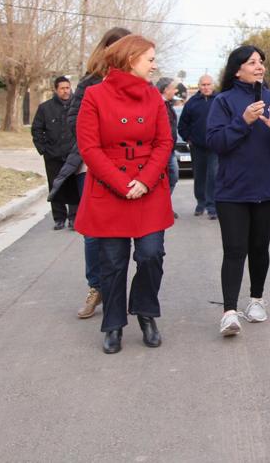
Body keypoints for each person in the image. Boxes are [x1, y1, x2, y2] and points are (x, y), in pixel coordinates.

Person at [74, 34, 174, 354]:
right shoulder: (94, 95)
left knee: (151, 254)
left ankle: (145, 312)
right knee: (113, 261)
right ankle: (113, 323)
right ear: (132, 60)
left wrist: (144, 180)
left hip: (148, 187)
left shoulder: (153, 97)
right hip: (110, 188)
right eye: (150, 59)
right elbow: (89, 146)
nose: (154, 65)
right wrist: (120, 182)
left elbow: (163, 142)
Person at [206, 46, 270, 337]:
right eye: (252, 62)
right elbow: (215, 142)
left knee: (259, 248)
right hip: (232, 190)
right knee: (235, 249)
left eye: (261, 62)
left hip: (268, 187)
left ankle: (256, 300)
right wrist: (242, 121)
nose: (259, 66)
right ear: (237, 69)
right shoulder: (223, 101)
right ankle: (229, 312)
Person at [49, 26, 132, 320]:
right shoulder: (89, 84)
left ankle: (123, 290)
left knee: (128, 232)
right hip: (93, 167)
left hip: (129, 168)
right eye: (115, 47)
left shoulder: (137, 83)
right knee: (94, 232)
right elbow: (74, 122)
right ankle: (96, 287)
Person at [31, 76, 77, 230]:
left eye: (67, 88)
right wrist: (43, 149)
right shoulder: (45, 108)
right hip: (53, 155)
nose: (66, 91)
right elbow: (37, 130)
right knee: (55, 186)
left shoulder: (77, 106)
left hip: (72, 154)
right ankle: (59, 218)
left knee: (73, 186)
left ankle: (73, 218)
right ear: (56, 90)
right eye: (62, 88)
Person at [178, 75, 218, 220]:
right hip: (198, 147)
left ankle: (212, 206)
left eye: (208, 84)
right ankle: (200, 203)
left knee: (213, 175)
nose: (206, 87)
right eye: (203, 85)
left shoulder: (220, 100)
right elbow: (182, 125)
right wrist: (189, 138)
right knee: (199, 175)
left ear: (213, 85)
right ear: (199, 86)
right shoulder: (191, 103)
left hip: (215, 146)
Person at [156, 77, 181, 203]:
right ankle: (161, 206)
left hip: (170, 150)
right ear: (166, 89)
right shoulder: (157, 104)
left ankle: (164, 204)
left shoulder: (168, 105)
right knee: (163, 180)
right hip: (161, 150)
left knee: (173, 177)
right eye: (173, 88)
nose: (176, 91)